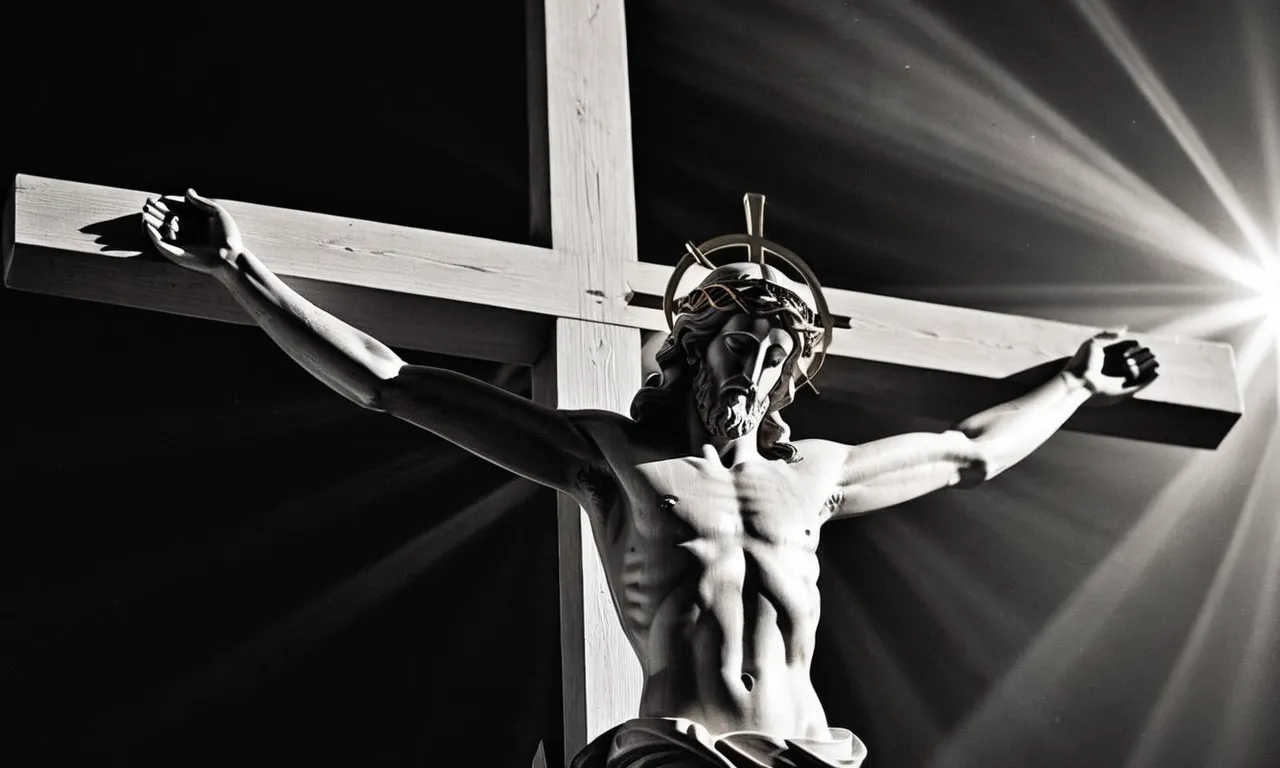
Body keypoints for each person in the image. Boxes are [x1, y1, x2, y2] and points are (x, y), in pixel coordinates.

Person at [141, 190, 1159, 767]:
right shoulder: (613, 457)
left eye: (773, 357)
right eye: (735, 345)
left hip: (811, 757)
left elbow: (966, 449)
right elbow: (399, 386)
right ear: (691, 348)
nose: (751, 374)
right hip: (673, 761)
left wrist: (1073, 380)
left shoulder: (818, 473)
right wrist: (244, 275)